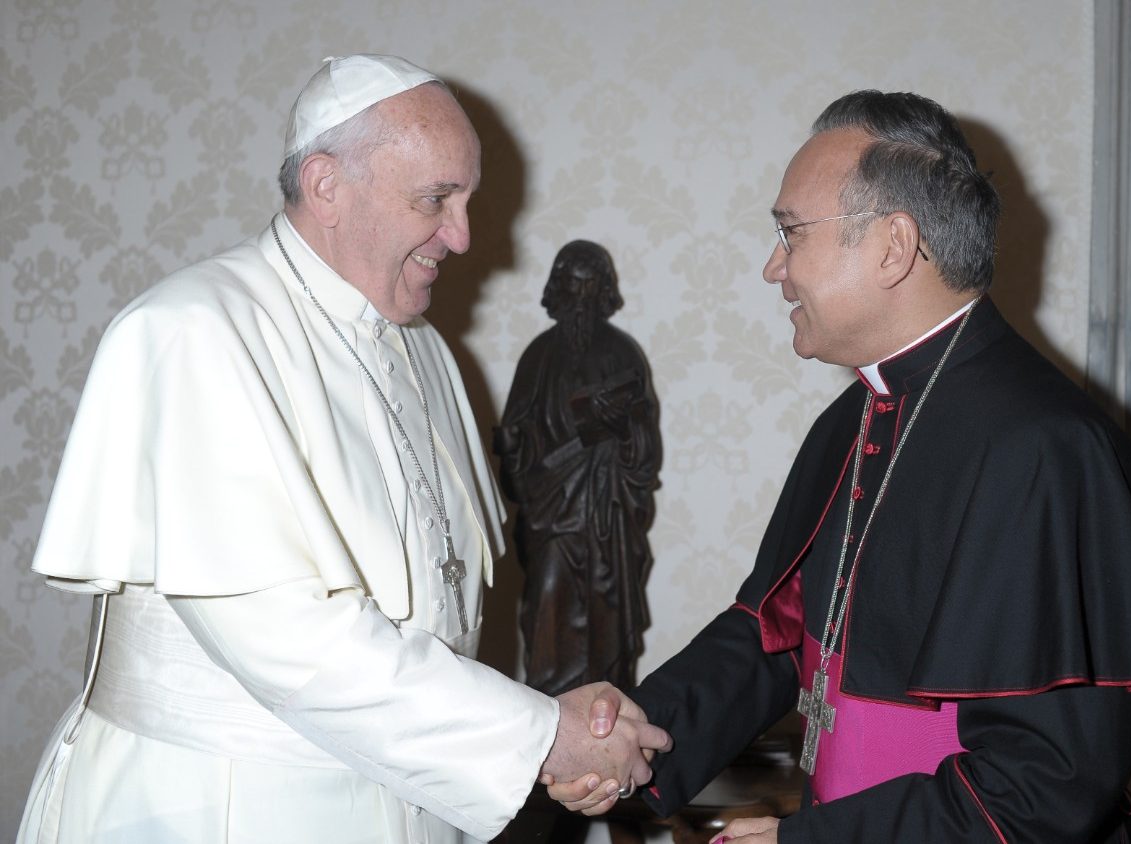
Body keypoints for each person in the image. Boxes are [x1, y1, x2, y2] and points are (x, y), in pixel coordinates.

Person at [17, 54, 667, 844]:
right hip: (218, 806)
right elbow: (286, 638)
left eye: (466, 201)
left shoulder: (424, 348)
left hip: (408, 803)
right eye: (436, 199)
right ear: (326, 185)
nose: (462, 236)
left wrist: (542, 734)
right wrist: (539, 736)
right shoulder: (194, 331)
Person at [552, 90, 1131, 841]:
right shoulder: (856, 417)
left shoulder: (1046, 450)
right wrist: (638, 732)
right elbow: (778, 634)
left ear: (894, 246)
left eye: (790, 232)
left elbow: (1043, 788)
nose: (774, 267)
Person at [495, 239, 661, 697]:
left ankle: (605, 705)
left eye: (591, 288)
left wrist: (622, 429)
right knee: (547, 602)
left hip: (607, 513)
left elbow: (644, 446)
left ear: (603, 291)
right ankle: (550, 713)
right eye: (573, 286)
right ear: (559, 289)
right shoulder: (538, 356)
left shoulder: (623, 353)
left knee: (606, 618)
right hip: (552, 513)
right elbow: (516, 431)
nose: (581, 300)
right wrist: (514, 451)